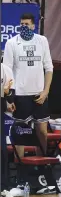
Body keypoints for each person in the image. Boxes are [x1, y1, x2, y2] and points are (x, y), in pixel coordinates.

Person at [3, 13, 53, 159]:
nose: (24, 27)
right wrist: (9, 98)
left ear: (33, 25)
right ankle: (21, 168)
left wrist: (46, 91)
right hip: (20, 94)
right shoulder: (11, 43)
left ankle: (42, 164)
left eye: (27, 24)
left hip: (39, 94)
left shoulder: (42, 41)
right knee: (20, 133)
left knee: (42, 132)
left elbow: (49, 68)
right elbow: (6, 72)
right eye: (22, 24)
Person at [1, 63, 14, 191]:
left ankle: (3, 186)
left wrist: (8, 98)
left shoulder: (5, 70)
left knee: (2, 151)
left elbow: (11, 93)